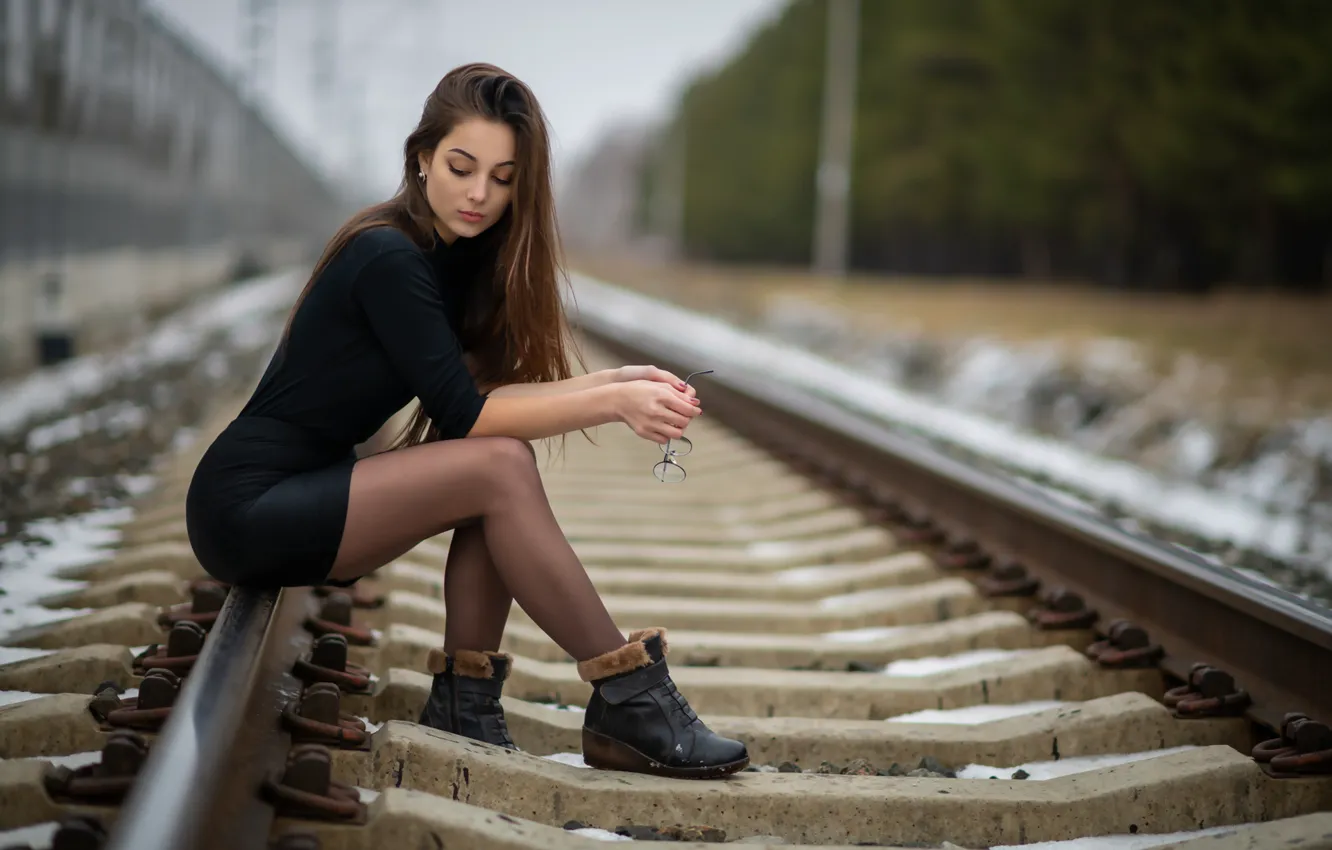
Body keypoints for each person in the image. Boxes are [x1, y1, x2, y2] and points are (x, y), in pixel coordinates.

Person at [184, 63, 748, 779]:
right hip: (248, 504)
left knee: (499, 462)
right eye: (460, 166)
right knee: (499, 462)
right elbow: (466, 413)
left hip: (310, 488)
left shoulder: (454, 265)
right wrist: (610, 397)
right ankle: (629, 695)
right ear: (421, 158)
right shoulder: (385, 253)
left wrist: (616, 381)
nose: (479, 193)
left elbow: (485, 407)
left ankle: (466, 701)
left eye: (503, 177)